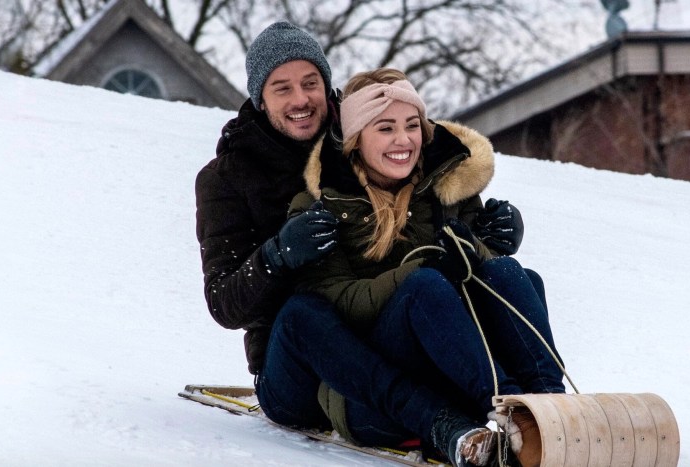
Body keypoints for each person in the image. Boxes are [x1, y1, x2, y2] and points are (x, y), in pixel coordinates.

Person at [195, 22, 535, 467]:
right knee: (303, 313)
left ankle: (538, 412)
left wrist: (491, 235)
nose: (300, 99)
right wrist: (277, 256)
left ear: (327, 84)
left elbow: (433, 190)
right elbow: (223, 302)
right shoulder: (226, 178)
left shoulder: (368, 127)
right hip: (298, 366)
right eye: (282, 88)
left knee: (501, 280)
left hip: (383, 333)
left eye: (310, 82)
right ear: (261, 98)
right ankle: (441, 422)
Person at [286, 68, 567, 466]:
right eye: (385, 128)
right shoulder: (319, 210)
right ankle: (515, 414)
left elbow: (482, 285)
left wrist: (482, 249)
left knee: (510, 273)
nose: (403, 140)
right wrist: (420, 269)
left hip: (455, 373)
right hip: (373, 396)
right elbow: (334, 304)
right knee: (425, 287)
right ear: (355, 140)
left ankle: (551, 406)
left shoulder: (448, 190)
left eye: (412, 125)